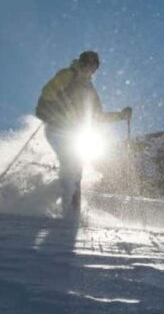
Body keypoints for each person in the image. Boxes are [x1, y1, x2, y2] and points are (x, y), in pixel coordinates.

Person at [36, 51, 132, 216]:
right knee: (71, 165)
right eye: (88, 63)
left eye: (94, 65)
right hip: (58, 128)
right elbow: (48, 90)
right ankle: (68, 212)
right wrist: (50, 107)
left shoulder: (90, 90)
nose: (91, 68)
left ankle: (66, 208)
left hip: (75, 133)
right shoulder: (69, 74)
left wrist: (120, 116)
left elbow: (98, 115)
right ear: (81, 62)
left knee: (75, 170)